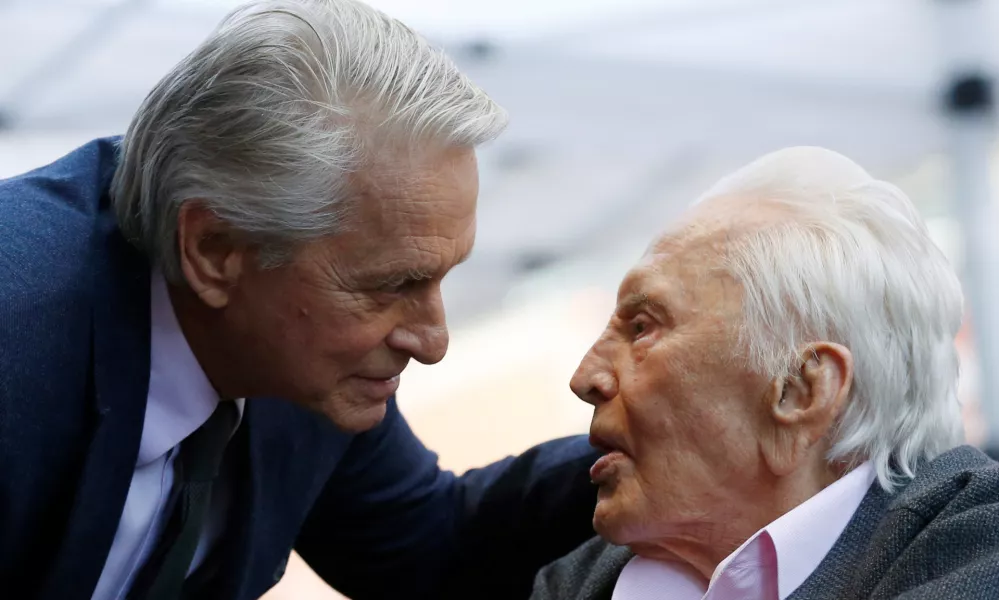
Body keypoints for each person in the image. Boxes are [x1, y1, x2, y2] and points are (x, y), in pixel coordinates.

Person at [0, 1, 598, 599]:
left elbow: (432, 548)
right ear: (214, 249)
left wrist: (655, 448)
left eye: (442, 279)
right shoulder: (18, 330)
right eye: (392, 285)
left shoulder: (298, 362)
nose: (434, 342)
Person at [532, 147, 999, 600]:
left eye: (641, 328)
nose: (586, 377)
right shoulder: (578, 582)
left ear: (800, 391)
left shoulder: (978, 548)